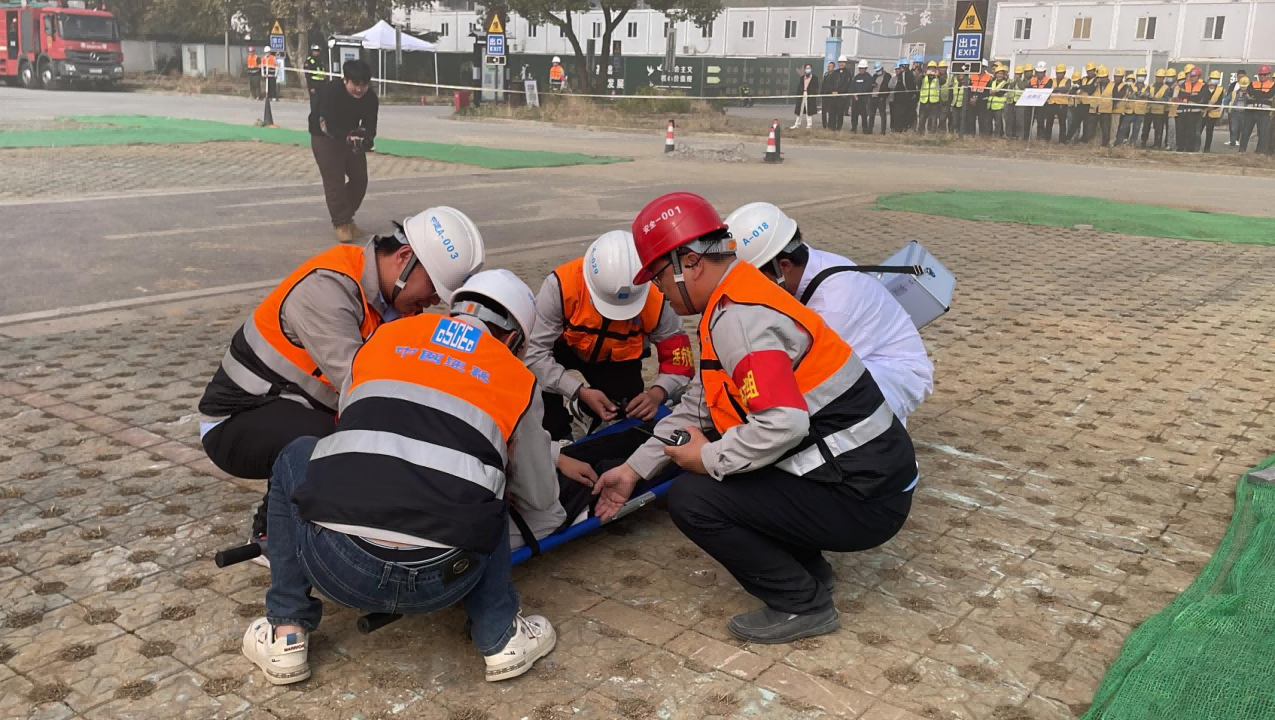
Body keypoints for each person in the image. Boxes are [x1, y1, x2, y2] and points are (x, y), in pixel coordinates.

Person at [592, 193, 918, 644]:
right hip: (869, 478)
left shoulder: (741, 319)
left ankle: (802, 603)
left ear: (690, 262)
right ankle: (810, 571)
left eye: (660, 276)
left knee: (694, 497)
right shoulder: (734, 297)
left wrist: (708, 458)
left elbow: (782, 424)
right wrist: (634, 469)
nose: (659, 291)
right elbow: (698, 408)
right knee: (733, 466)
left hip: (865, 497)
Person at [242, 270, 564, 687]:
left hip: (337, 566)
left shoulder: (384, 339)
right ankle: (501, 637)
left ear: (453, 311)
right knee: (493, 480)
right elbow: (538, 496)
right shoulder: (515, 377)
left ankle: (286, 633)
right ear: (513, 340)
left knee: (299, 452)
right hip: (446, 578)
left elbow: (351, 427)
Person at [199, 207, 485, 559]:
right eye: (433, 288)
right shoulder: (327, 289)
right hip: (236, 424)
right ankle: (272, 535)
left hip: (294, 413)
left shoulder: (396, 304)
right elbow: (363, 390)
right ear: (404, 258)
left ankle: (297, 518)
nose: (434, 301)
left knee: (351, 435)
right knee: (342, 443)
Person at [726, 202, 933, 423]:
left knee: (819, 398)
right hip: (867, 357)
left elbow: (804, 369)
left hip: (895, 374)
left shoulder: (834, 302)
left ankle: (887, 451)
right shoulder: (807, 265)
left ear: (784, 266)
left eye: (757, 279)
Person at [526, 231, 693, 442]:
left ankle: (585, 411)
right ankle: (558, 433)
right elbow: (533, 352)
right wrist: (578, 391)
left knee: (628, 409)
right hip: (563, 348)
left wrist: (657, 394)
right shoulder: (561, 285)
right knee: (535, 386)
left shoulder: (660, 297)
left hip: (616, 357)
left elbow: (680, 362)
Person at [309, 59, 378, 244]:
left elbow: (371, 125)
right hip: (324, 137)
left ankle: (347, 218)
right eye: (355, 84)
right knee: (335, 181)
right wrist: (347, 138)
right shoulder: (331, 92)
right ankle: (341, 224)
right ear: (345, 80)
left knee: (360, 179)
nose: (360, 90)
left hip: (350, 135)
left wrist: (366, 139)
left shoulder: (370, 98)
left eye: (364, 85)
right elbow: (326, 125)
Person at [1243, 65, 1274, 155]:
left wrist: (1257, 95)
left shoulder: (1272, 85)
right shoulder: (1253, 83)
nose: (1262, 77)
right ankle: (1242, 151)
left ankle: (1260, 153)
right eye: (1260, 74)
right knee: (1245, 132)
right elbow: (1250, 93)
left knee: (1263, 133)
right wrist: (1262, 94)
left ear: (1268, 75)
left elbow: (1270, 95)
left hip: (1263, 112)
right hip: (1250, 111)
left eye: (1264, 75)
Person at [1024, 61, 1053, 142]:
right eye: (1038, 72)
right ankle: (1026, 138)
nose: (1039, 74)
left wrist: (1036, 91)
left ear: (1044, 72)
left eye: (1041, 72)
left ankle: (1039, 138)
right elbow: (1028, 89)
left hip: (1042, 105)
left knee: (1040, 121)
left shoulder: (1049, 80)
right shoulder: (1032, 80)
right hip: (1031, 103)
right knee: (1028, 121)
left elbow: (1047, 91)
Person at [1143, 69, 1171, 149]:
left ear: (1163, 78)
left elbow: (1166, 99)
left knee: (1158, 129)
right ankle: (1143, 142)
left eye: (1160, 77)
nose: (1158, 79)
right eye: (1157, 77)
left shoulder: (1166, 88)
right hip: (1149, 110)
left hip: (1159, 111)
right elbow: (1146, 93)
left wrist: (1156, 99)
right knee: (1146, 127)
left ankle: (1157, 144)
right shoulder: (1151, 86)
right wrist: (1147, 95)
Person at [1200, 70, 1225, 152]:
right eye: (1213, 78)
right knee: (1198, 130)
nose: (1215, 80)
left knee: (1209, 132)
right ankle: (1196, 146)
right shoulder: (1204, 88)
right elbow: (1202, 99)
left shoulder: (1220, 89)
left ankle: (1207, 148)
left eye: (1217, 79)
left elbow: (1219, 102)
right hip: (1203, 113)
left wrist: (1209, 108)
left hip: (1213, 114)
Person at [888, 59, 915, 133]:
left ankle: (900, 129)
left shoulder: (904, 75)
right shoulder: (909, 74)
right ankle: (901, 128)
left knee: (900, 115)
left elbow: (907, 86)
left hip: (902, 99)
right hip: (903, 99)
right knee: (901, 115)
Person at [1045, 63, 1069, 142]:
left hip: (1062, 104)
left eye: (1061, 73)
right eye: (1058, 73)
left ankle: (1062, 141)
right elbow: (1047, 89)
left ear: (1064, 73)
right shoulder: (1051, 80)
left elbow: (1066, 89)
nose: (1059, 74)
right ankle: (1047, 139)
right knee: (1049, 122)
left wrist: (1054, 89)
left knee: (1062, 123)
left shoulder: (1067, 80)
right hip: (1052, 103)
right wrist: (1059, 89)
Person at [791, 64, 820, 130]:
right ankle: (797, 124)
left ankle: (809, 125)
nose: (808, 69)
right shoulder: (802, 78)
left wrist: (813, 94)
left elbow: (816, 87)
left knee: (809, 110)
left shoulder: (815, 78)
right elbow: (799, 87)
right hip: (802, 94)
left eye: (809, 68)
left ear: (811, 69)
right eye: (806, 68)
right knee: (799, 110)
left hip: (809, 95)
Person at [917, 61, 942, 135]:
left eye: (933, 69)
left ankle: (932, 135)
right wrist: (922, 75)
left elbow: (943, 81)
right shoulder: (924, 77)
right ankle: (920, 134)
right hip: (924, 101)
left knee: (933, 120)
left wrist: (938, 75)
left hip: (934, 102)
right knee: (921, 120)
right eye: (930, 69)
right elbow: (917, 82)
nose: (931, 71)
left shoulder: (938, 78)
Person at [1093, 66, 1115, 147]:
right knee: (1094, 128)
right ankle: (1095, 143)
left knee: (1106, 128)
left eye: (1103, 77)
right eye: (1100, 77)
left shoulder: (1112, 85)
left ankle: (1105, 144)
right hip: (1096, 109)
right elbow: (1090, 91)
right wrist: (1095, 84)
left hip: (1106, 110)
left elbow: (1115, 98)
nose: (1101, 79)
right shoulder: (1096, 84)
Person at [850, 59, 873, 133]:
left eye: (862, 68)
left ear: (865, 68)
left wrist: (859, 94)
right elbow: (852, 86)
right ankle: (854, 128)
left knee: (864, 115)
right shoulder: (856, 77)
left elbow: (868, 88)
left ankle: (865, 129)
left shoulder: (869, 77)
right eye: (860, 68)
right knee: (854, 114)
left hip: (864, 100)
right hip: (855, 99)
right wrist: (854, 94)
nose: (861, 70)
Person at [1226, 71, 1249, 147]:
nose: (1243, 88)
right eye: (1242, 87)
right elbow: (1227, 100)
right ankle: (1232, 142)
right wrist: (1227, 108)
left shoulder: (1249, 92)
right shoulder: (1235, 92)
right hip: (1234, 112)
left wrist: (1248, 96)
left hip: (1244, 113)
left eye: (1244, 87)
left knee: (1243, 128)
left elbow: (1251, 101)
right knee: (1234, 128)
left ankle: (1241, 143)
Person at [303, 45, 325, 118]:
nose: (316, 53)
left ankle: (321, 116)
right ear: (312, 51)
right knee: (314, 102)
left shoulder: (321, 60)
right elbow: (308, 75)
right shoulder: (309, 61)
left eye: (318, 51)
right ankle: (314, 117)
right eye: (315, 51)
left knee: (322, 102)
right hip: (314, 84)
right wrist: (311, 87)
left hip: (322, 84)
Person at [988, 64, 1010, 137]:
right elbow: (988, 91)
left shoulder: (1005, 83)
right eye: (998, 73)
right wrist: (994, 92)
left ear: (1004, 75)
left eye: (1001, 73)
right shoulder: (992, 82)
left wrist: (993, 92)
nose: (999, 75)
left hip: (999, 106)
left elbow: (1001, 93)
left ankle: (999, 135)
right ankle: (990, 135)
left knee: (998, 122)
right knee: (989, 122)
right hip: (990, 105)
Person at [871, 62, 891, 134]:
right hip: (874, 97)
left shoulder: (887, 76)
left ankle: (883, 131)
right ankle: (870, 129)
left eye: (878, 70)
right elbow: (871, 83)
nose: (877, 72)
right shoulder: (874, 76)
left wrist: (884, 96)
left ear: (882, 68)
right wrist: (873, 85)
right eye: (876, 71)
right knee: (871, 114)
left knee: (882, 115)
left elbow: (888, 88)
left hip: (881, 98)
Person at [821, 60, 839, 130]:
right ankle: (824, 125)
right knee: (824, 111)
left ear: (833, 67)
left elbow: (835, 85)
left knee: (831, 111)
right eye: (828, 66)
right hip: (825, 96)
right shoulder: (826, 74)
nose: (829, 68)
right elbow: (823, 84)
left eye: (830, 66)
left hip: (831, 96)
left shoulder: (835, 75)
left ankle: (831, 125)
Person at [937, 61, 954, 133]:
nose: (942, 69)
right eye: (941, 68)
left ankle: (949, 133)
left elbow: (952, 90)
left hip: (947, 100)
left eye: (944, 68)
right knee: (941, 118)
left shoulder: (949, 77)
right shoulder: (935, 77)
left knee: (946, 118)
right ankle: (941, 133)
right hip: (937, 100)